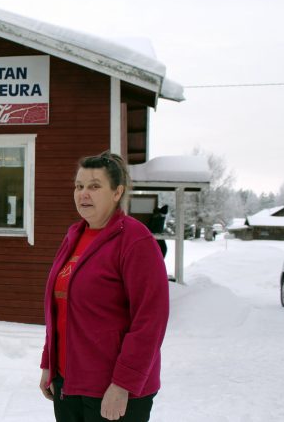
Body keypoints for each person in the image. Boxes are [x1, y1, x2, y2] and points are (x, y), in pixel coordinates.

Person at [39, 151, 169, 422]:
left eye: (94, 186)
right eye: (79, 186)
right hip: (68, 384)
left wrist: (124, 383)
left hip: (114, 390)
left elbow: (150, 320)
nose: (83, 194)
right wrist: (49, 364)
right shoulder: (75, 235)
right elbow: (60, 309)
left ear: (117, 192)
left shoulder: (135, 241)